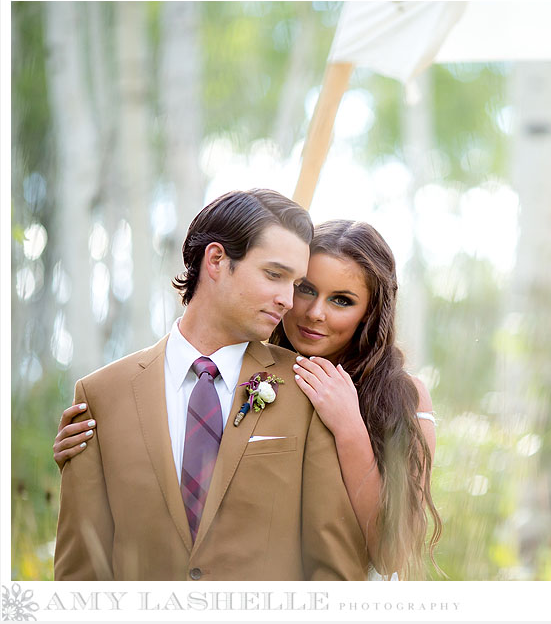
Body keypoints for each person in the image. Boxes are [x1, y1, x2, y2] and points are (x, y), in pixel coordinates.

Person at [55, 218, 442, 578]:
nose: (313, 313)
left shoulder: (402, 396)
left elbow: (394, 553)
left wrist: (348, 424)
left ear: (370, 312)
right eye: (305, 289)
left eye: (342, 300)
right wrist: (105, 448)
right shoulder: (243, 364)